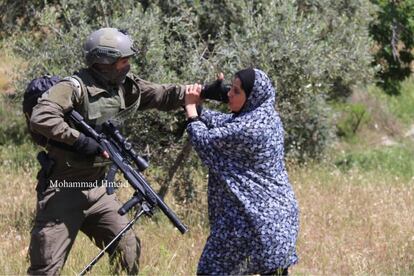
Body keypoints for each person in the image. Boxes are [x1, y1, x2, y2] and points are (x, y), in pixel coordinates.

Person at [27, 27, 190, 275]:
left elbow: (163, 94)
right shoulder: (73, 87)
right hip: (63, 189)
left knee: (128, 249)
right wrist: (81, 141)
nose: (128, 66)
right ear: (104, 62)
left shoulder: (123, 87)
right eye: (123, 61)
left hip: (99, 192)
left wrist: (204, 92)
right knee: (46, 268)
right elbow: (42, 116)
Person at [184, 68, 300, 275]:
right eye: (230, 88)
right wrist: (201, 110)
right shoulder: (265, 116)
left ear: (252, 96)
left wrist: (191, 111)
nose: (229, 94)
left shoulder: (249, 128)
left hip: (253, 222)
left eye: (236, 91)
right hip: (277, 221)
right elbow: (227, 122)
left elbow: (205, 142)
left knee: (211, 271)